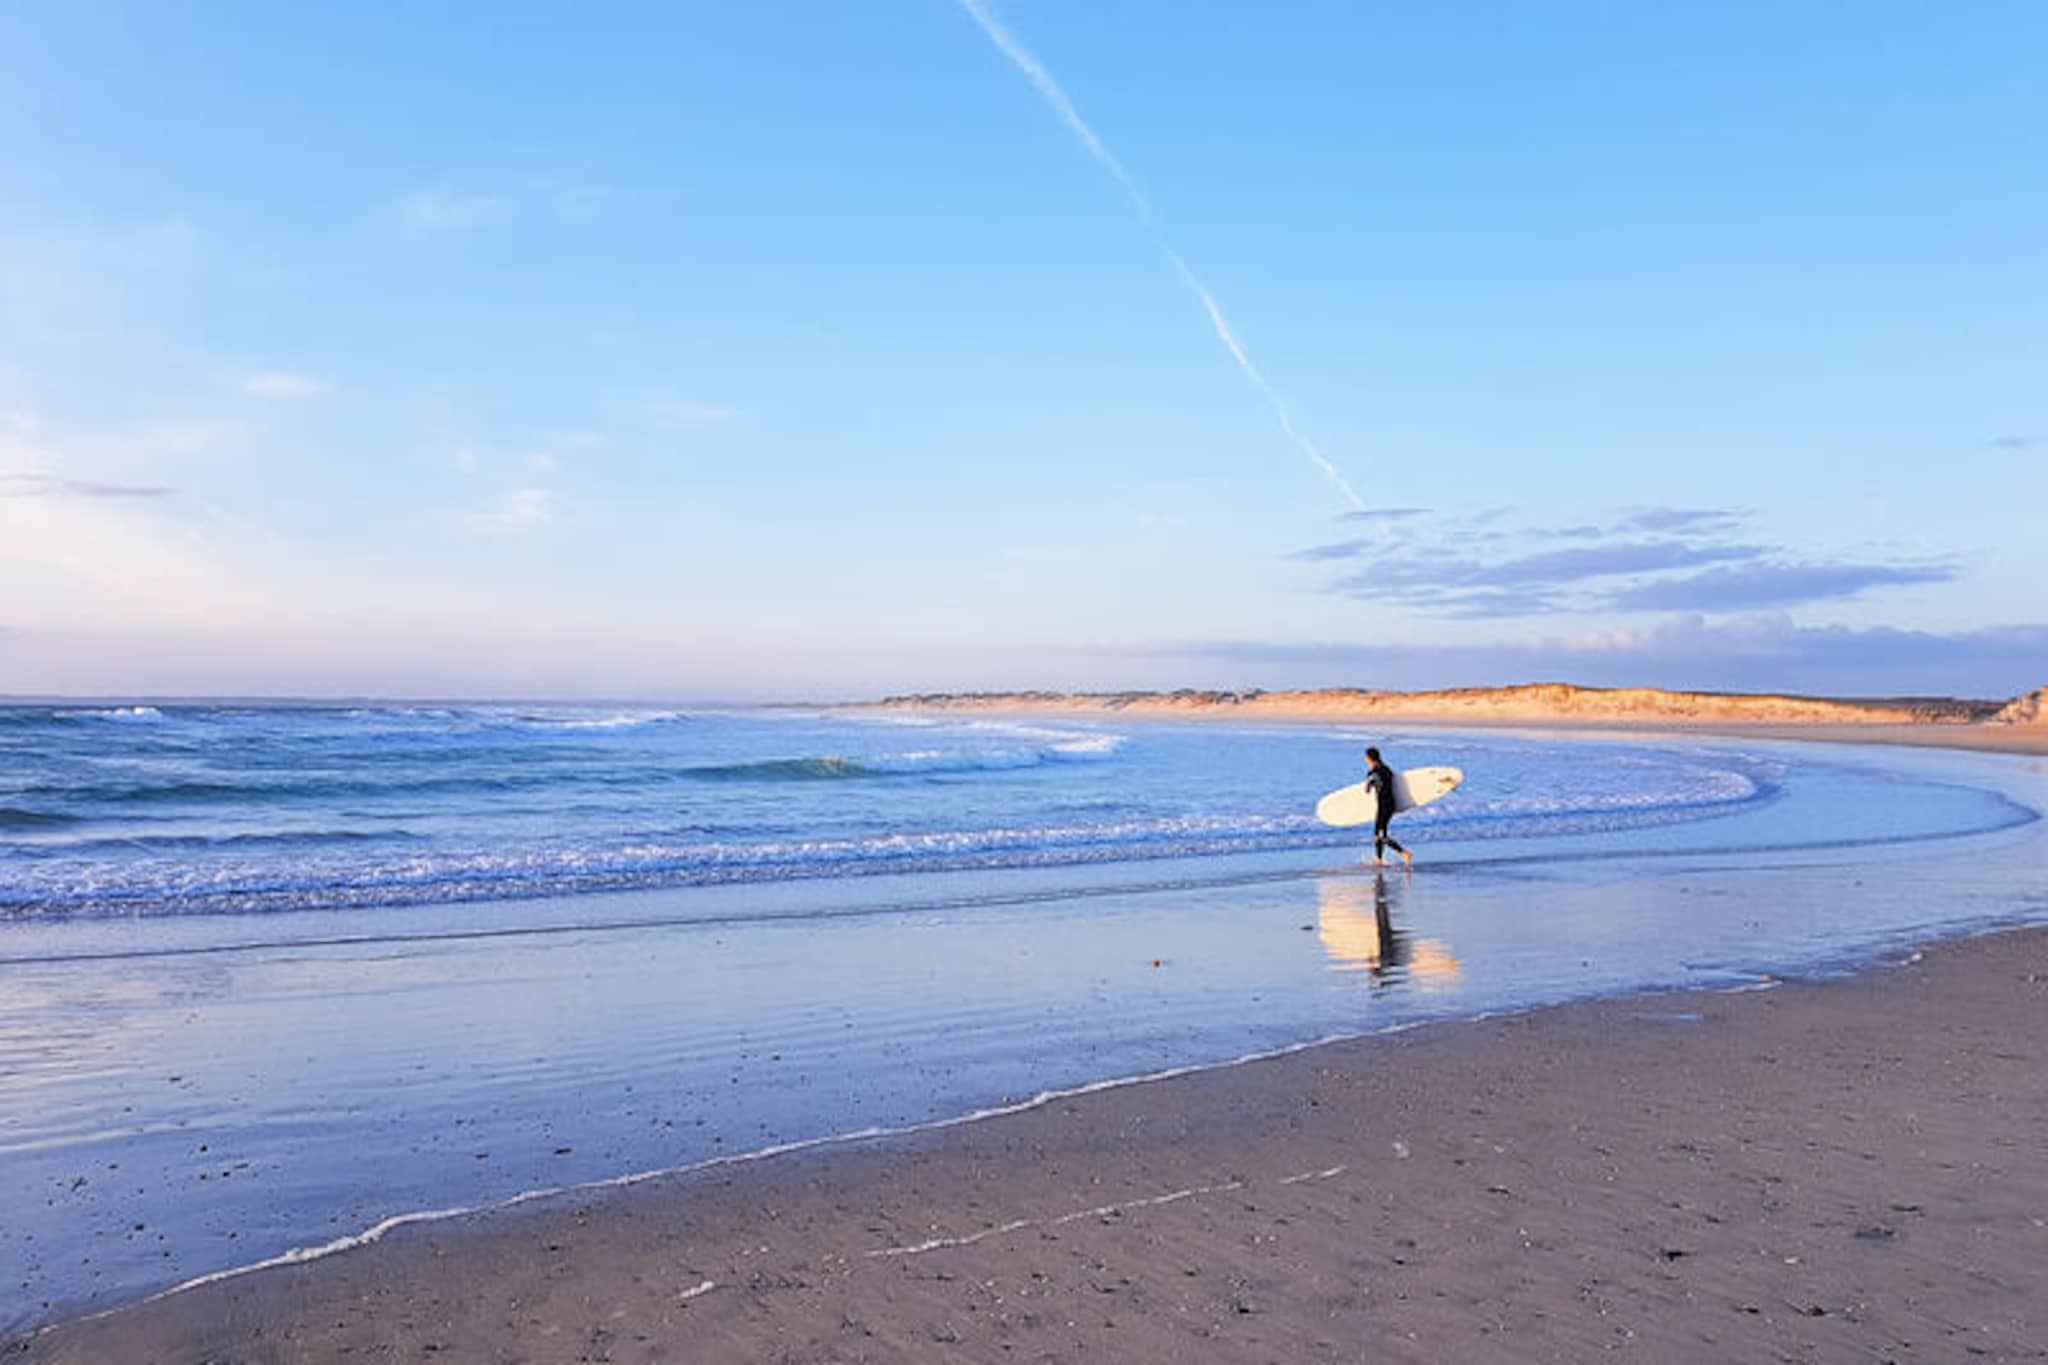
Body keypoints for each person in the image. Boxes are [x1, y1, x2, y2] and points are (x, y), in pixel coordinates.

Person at [1363, 746, 1411, 868]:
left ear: (1369, 758)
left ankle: (1404, 853)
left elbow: (1367, 790)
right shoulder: (1387, 769)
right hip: (1390, 804)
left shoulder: (1372, 773)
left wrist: (1370, 781)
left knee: (1381, 835)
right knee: (1377, 834)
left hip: (1383, 806)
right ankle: (1379, 860)